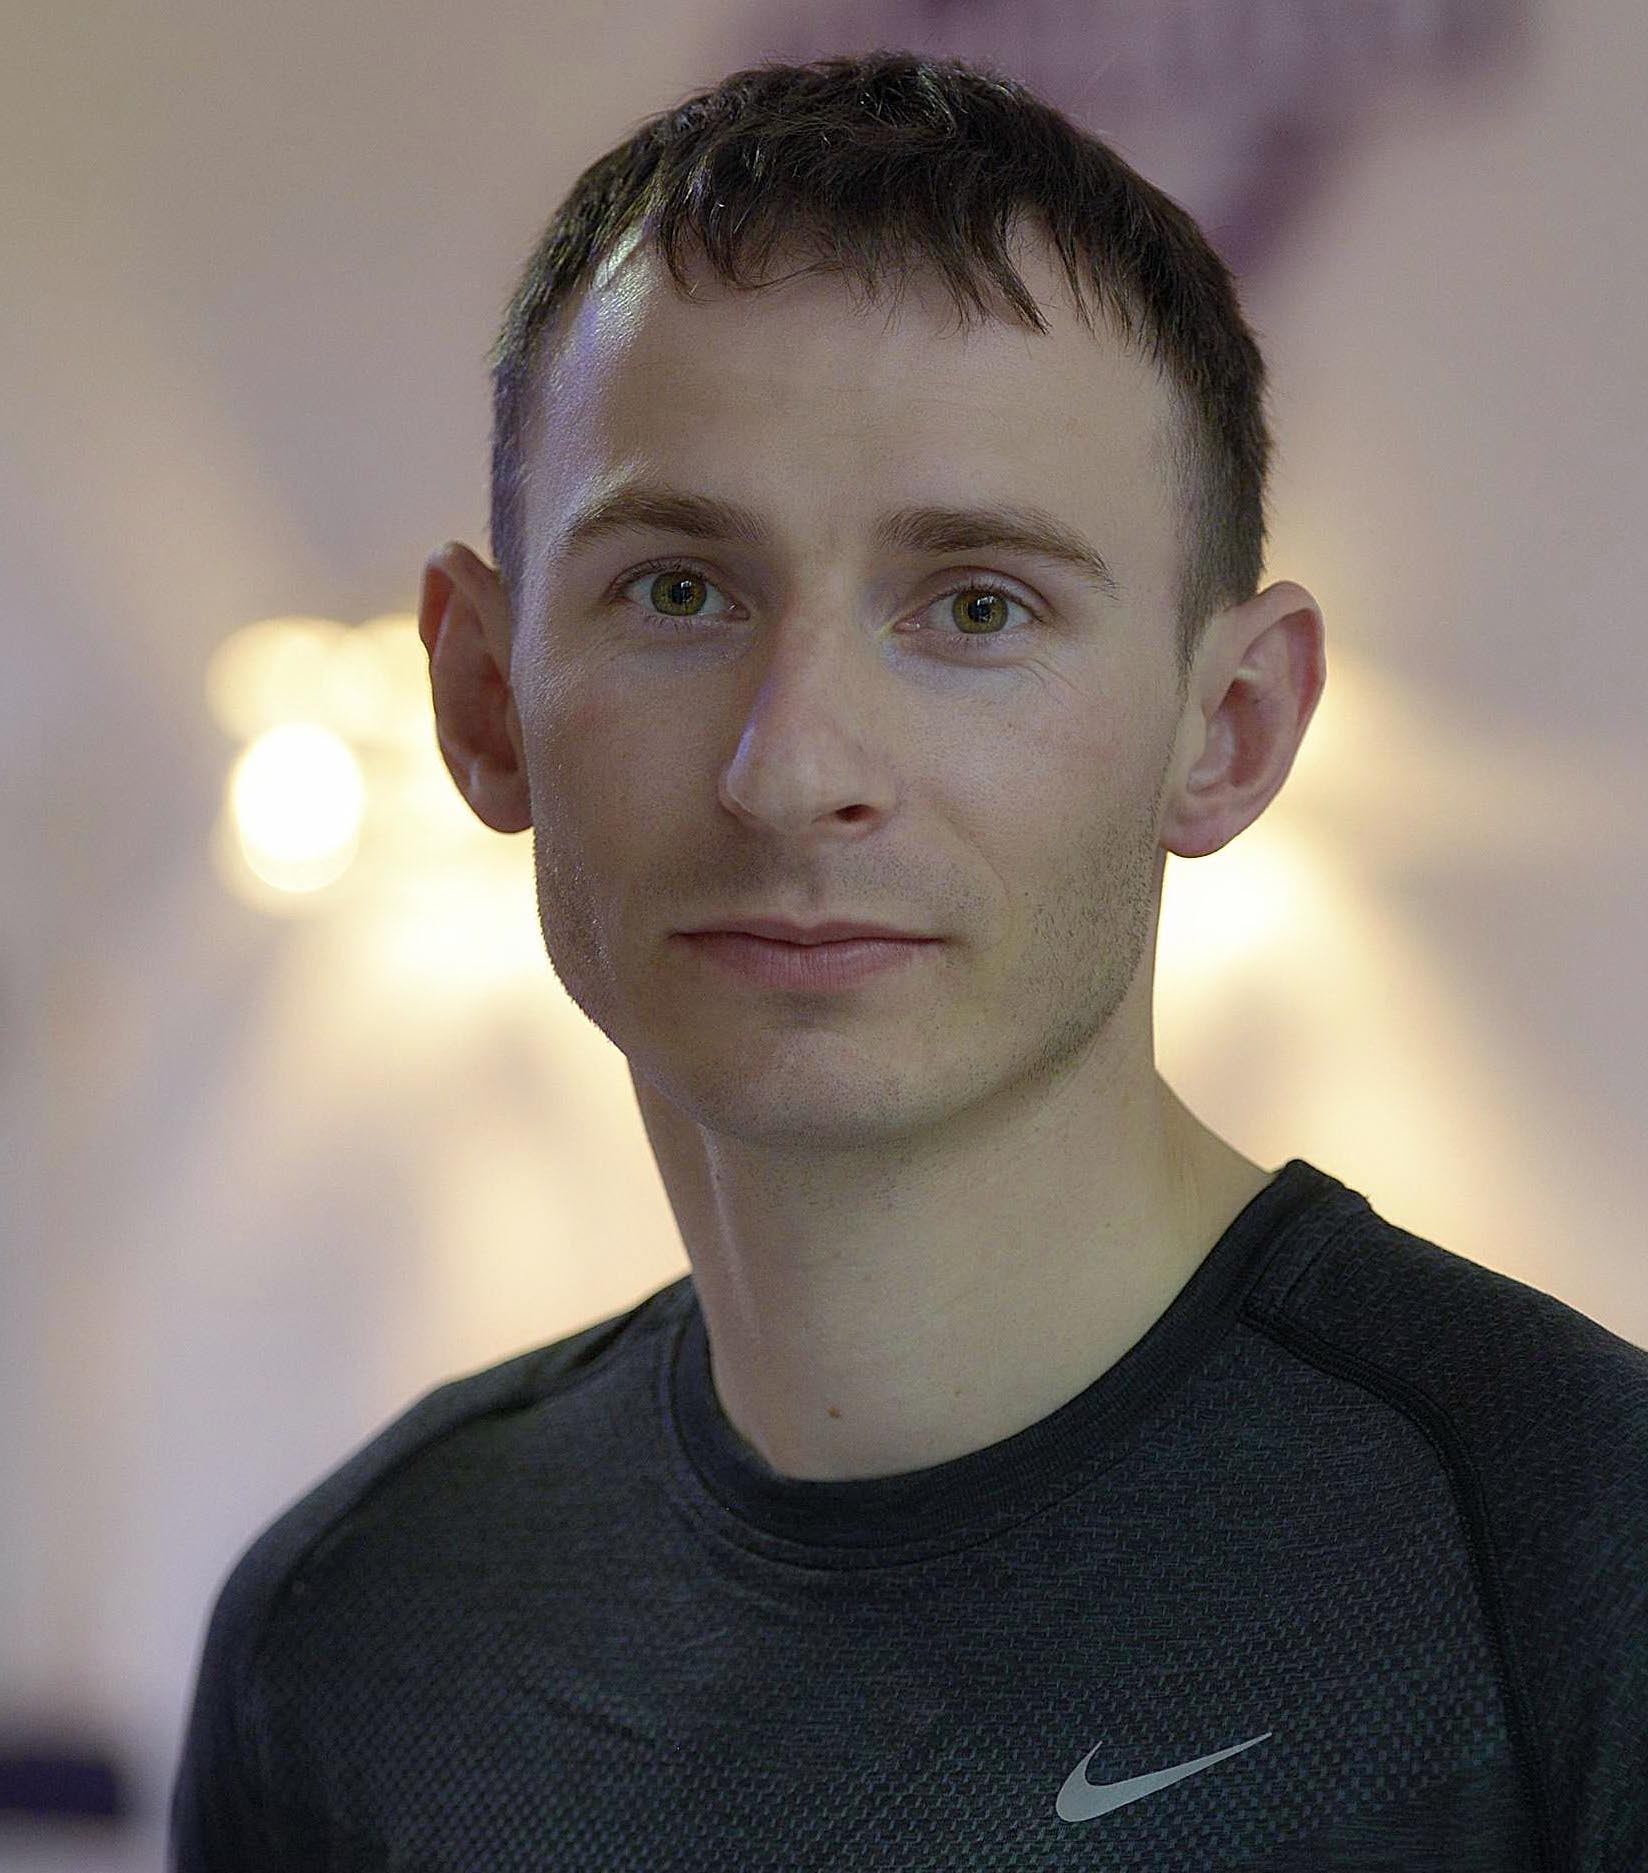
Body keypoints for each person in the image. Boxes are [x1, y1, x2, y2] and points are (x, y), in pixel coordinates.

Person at [171, 50, 1646, 1871]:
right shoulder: (352, 1627)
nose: (794, 768)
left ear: (1232, 728)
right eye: (678, 589)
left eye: (976, 606)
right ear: (483, 699)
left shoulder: (1576, 1555)